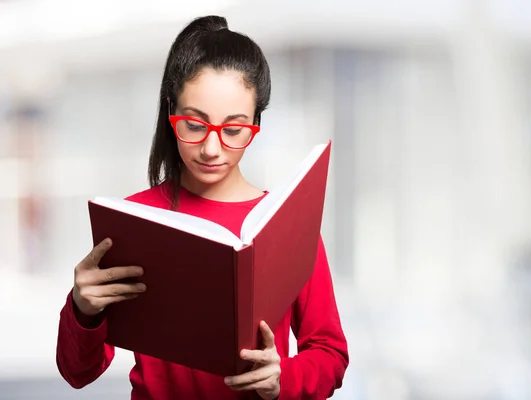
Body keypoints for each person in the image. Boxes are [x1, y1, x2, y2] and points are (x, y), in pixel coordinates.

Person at [55, 15, 349, 400]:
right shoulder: (134, 223)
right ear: (170, 111)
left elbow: (331, 355)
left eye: (234, 129)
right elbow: (78, 373)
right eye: (194, 125)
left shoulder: (286, 223)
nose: (212, 148)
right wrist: (82, 309)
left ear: (257, 121)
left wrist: (283, 378)